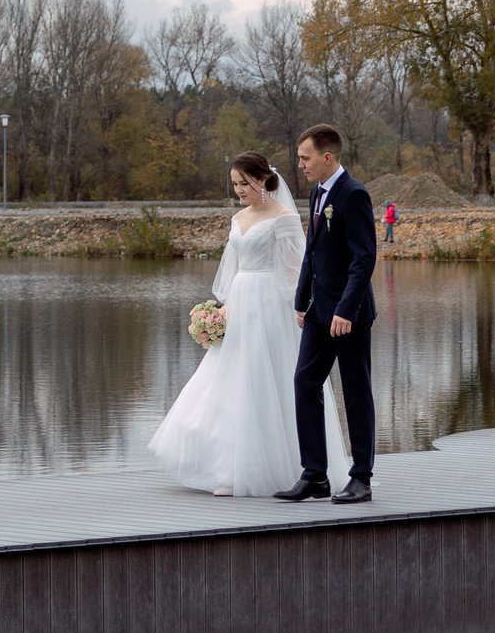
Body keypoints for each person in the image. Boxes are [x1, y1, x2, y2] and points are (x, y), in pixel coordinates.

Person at [149, 153, 349, 497]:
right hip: (241, 303)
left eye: (245, 182)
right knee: (228, 379)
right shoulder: (238, 217)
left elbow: (298, 271)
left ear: (263, 180)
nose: (239, 189)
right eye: (235, 184)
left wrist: (300, 307)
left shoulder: (284, 218)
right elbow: (232, 269)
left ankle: (284, 468)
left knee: (263, 379)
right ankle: (224, 467)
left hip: (270, 303)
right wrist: (218, 313)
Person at [279, 123, 378, 505]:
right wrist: (301, 300)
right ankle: (315, 475)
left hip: (348, 315)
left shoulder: (353, 195)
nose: (299, 165)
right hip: (319, 312)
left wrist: (345, 310)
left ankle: (362, 479)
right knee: (305, 383)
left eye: (305, 158)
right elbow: (312, 252)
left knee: (356, 393)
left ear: (327, 157)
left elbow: (363, 259)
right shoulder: (316, 194)